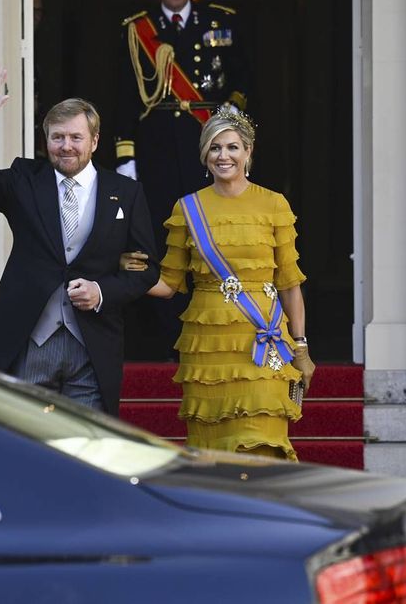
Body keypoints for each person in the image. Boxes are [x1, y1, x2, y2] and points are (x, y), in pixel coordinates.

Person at [0, 64, 159, 416]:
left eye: (76, 138)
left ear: (95, 140)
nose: (66, 146)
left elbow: (145, 269)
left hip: (92, 345)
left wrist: (103, 292)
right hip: (30, 340)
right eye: (57, 137)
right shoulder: (24, 181)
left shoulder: (126, 192)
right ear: (46, 141)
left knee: (86, 448)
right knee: (23, 441)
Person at [120, 107, 314, 459]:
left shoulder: (274, 204)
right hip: (207, 348)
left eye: (232, 147)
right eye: (214, 148)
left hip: (264, 341)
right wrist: (125, 270)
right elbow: (168, 284)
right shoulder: (187, 208)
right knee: (213, 455)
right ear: (204, 155)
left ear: (248, 152)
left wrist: (300, 347)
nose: (223, 156)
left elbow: (289, 282)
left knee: (263, 445)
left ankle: (261, 514)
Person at [115, 0, 254, 360]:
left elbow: (244, 78)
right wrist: (126, 156)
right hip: (157, 150)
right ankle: (167, 337)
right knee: (162, 241)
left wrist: (231, 110)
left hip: (209, 149)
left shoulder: (219, 20)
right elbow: (124, 96)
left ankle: (213, 330)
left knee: (212, 236)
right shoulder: (136, 29)